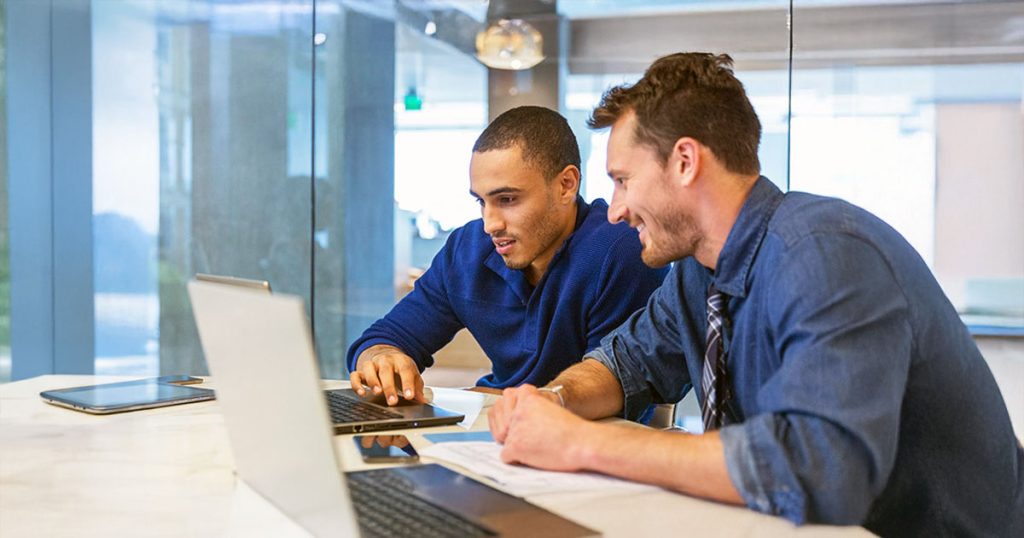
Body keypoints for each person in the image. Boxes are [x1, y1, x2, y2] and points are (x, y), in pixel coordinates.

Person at [488, 53, 1023, 536]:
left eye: (624, 180)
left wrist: (581, 443)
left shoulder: (823, 256)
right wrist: (551, 403)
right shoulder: (698, 273)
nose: (613, 209)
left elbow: (821, 471)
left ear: (685, 161)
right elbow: (626, 363)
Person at [347, 106, 668, 406]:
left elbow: (617, 385)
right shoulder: (468, 249)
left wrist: (511, 404)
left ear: (566, 185)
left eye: (508, 199)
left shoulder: (620, 250)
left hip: (581, 440)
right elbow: (385, 337)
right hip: (494, 426)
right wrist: (381, 358)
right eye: (482, 202)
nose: (490, 224)